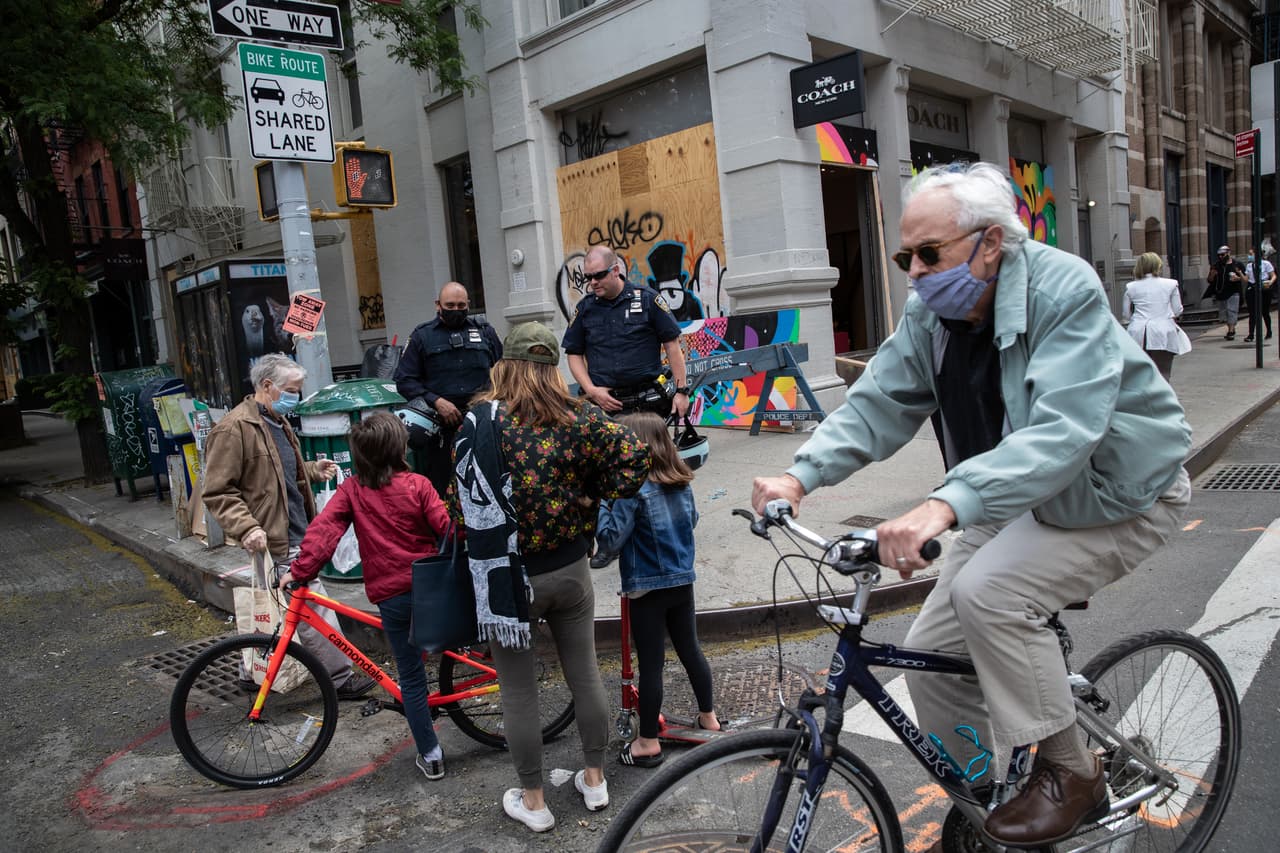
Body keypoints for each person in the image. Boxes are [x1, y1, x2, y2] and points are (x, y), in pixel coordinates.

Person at [752, 162, 1191, 850]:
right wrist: (798, 477)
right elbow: (877, 402)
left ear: (990, 243)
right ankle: (988, 799)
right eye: (905, 257)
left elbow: (1063, 433)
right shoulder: (932, 315)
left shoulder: (1063, 288)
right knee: (928, 656)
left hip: (1118, 492)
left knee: (991, 593)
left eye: (929, 254)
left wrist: (941, 506)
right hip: (1011, 496)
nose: (914, 273)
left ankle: (1072, 771)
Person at [454, 322, 650, 833]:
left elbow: (462, 504)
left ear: (505, 366)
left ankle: (535, 801)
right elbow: (636, 458)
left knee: (519, 692)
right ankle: (595, 780)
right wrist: (592, 496)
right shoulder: (578, 415)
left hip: (507, 578)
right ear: (551, 368)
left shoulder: (480, 423)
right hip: (570, 570)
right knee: (584, 674)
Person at [278, 411, 452, 780]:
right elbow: (447, 529)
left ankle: (432, 755)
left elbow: (325, 531)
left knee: (411, 677)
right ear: (399, 448)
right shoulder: (419, 485)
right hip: (429, 589)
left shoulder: (353, 490)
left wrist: (300, 570)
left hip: (392, 596)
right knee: (430, 651)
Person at [202, 353, 375, 699]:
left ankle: (252, 672)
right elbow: (217, 491)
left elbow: (275, 475)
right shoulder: (235, 428)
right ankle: (340, 678)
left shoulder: (275, 421)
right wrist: (246, 527)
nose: (296, 396)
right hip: (272, 536)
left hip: (287, 531)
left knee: (272, 607)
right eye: (292, 390)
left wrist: (310, 470)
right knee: (314, 607)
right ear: (268, 386)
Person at [597, 411, 721, 768]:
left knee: (651, 665)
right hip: (682, 580)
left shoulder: (631, 490)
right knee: (690, 650)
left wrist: (603, 502)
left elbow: (611, 540)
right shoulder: (681, 482)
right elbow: (691, 521)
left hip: (646, 588)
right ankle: (709, 718)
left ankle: (647, 742)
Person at [562, 245, 691, 569]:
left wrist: (681, 391)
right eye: (588, 277)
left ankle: (669, 525)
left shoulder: (647, 300)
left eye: (598, 275)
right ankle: (610, 541)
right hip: (607, 404)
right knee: (607, 472)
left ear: (616, 270)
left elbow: (672, 345)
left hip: (647, 403)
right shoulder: (586, 309)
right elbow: (573, 354)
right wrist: (592, 390)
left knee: (658, 466)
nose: (592, 282)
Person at [394, 282, 503, 497]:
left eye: (461, 306)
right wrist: (436, 401)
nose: (456, 310)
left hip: (482, 423)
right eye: (450, 305)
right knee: (442, 487)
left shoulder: (484, 331)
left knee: (485, 484)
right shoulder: (422, 336)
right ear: (438, 305)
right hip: (441, 428)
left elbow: (503, 372)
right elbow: (404, 380)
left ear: (468, 304)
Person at [1122, 252, 1192, 380]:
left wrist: (1137, 319)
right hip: (1163, 331)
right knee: (1163, 372)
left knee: (1141, 374)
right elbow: (1177, 310)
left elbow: (1126, 314)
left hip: (1138, 332)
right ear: (1158, 265)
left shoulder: (1131, 287)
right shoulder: (1171, 284)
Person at [1205, 244, 1245, 341]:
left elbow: (1245, 278)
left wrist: (1237, 278)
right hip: (1221, 292)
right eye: (1219, 255)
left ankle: (1230, 331)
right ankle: (1232, 328)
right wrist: (1212, 274)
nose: (1220, 257)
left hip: (1234, 291)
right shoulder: (1216, 265)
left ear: (1228, 253)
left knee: (1232, 310)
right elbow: (1210, 280)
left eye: (1223, 255)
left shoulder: (1237, 264)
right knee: (1224, 313)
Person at [1243, 249, 1275, 343]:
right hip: (1252, 288)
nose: (1250, 256)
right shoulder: (1249, 265)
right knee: (1252, 313)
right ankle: (1251, 334)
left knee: (1265, 311)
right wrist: (1240, 273)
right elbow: (1246, 279)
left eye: (1251, 254)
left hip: (1264, 288)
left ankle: (1269, 331)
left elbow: (1273, 275)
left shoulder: (1266, 263)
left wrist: (1270, 282)